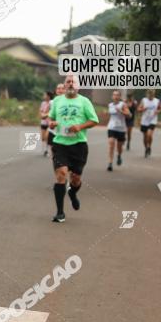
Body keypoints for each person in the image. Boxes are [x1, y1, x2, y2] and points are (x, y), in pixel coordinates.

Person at [47, 75, 99, 223]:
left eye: (73, 82)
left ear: (78, 86)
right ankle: (60, 213)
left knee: (75, 179)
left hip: (79, 145)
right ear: (64, 85)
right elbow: (51, 118)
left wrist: (80, 127)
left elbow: (94, 120)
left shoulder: (84, 101)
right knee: (61, 174)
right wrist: (52, 123)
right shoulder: (57, 101)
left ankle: (73, 193)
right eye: (68, 81)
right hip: (60, 143)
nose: (70, 84)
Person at [106, 90, 131, 171]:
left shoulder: (122, 105)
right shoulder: (110, 105)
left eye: (117, 95)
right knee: (111, 144)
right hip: (112, 128)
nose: (115, 97)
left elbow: (129, 115)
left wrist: (121, 111)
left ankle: (119, 155)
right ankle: (110, 163)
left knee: (119, 147)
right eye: (114, 95)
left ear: (119, 97)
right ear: (112, 97)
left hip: (121, 129)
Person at [137, 89, 161, 158]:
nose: (150, 95)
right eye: (149, 94)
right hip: (144, 121)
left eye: (152, 94)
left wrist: (158, 111)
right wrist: (142, 109)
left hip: (153, 120)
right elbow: (138, 109)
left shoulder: (157, 101)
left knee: (149, 134)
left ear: (154, 94)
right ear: (147, 94)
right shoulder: (144, 100)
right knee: (145, 136)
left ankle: (149, 146)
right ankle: (146, 148)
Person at [39, 91, 53, 157]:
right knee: (43, 138)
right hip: (43, 122)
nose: (44, 96)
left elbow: (51, 111)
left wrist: (46, 114)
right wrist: (41, 115)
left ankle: (47, 150)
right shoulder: (43, 103)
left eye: (45, 95)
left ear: (48, 96)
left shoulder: (52, 102)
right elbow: (41, 111)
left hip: (49, 122)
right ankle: (45, 149)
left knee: (47, 136)